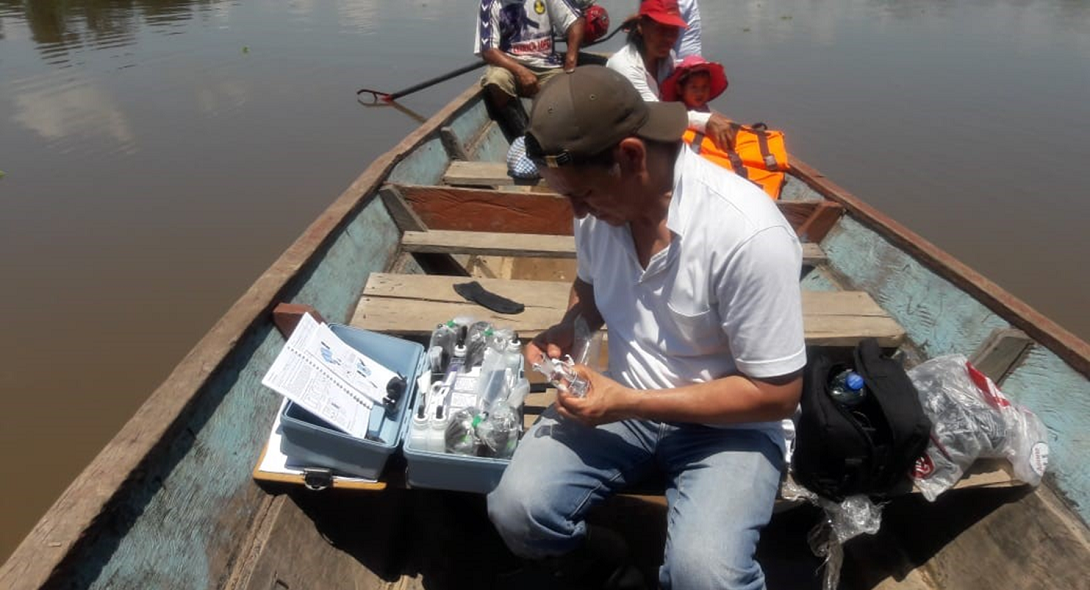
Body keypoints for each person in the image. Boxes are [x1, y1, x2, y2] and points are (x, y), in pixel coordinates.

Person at [487, 65, 806, 590]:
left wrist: (629, 402)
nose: (577, 212)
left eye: (584, 195)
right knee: (518, 510)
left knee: (706, 576)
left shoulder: (748, 235)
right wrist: (569, 327)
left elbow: (776, 394)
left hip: (731, 428)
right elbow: (590, 288)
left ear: (632, 156)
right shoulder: (597, 209)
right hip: (626, 401)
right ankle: (606, 564)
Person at [606, 0, 735, 149]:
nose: (668, 39)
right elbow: (655, 114)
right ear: (641, 26)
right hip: (628, 145)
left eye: (673, 30)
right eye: (661, 29)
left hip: (659, 133)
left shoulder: (667, 59)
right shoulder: (625, 65)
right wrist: (706, 120)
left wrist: (718, 118)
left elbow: (678, 102)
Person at [474, 0, 586, 110]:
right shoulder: (488, 3)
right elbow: (488, 50)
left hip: (547, 66)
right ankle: (518, 121)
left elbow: (575, 22)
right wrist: (520, 72)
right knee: (496, 79)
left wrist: (570, 62)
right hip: (510, 68)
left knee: (564, 98)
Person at [660, 54, 728, 110]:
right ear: (679, 89)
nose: (700, 93)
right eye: (694, 87)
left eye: (704, 87)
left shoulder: (704, 108)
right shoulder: (678, 110)